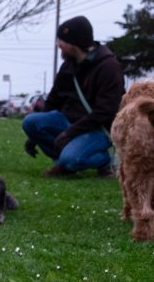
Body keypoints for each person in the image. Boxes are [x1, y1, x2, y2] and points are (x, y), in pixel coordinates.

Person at [22, 16, 124, 177]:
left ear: (73, 43)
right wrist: (33, 137)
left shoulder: (108, 68)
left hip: (98, 129)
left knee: (72, 159)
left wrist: (69, 133)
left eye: (61, 41)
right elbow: (54, 99)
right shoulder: (69, 65)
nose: (58, 44)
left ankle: (104, 160)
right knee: (30, 122)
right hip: (69, 122)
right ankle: (62, 164)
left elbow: (105, 112)